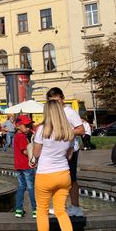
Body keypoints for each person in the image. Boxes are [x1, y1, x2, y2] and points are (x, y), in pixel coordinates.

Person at [31, 99, 79, 231]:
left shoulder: (42, 130)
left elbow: (36, 154)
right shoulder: (69, 131)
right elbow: (69, 155)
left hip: (45, 174)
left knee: (42, 211)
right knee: (61, 211)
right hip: (63, 174)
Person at [46, 88, 85, 217]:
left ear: (62, 98)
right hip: (57, 150)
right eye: (52, 101)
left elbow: (81, 130)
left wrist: (65, 132)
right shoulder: (52, 113)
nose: (55, 104)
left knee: (71, 179)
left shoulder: (69, 112)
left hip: (71, 149)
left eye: (56, 100)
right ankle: (60, 206)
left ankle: (76, 207)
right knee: (58, 178)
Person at [13, 115, 36, 218]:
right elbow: (25, 151)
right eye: (26, 126)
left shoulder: (17, 136)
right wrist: (34, 152)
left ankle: (18, 209)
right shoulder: (21, 137)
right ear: (18, 126)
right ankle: (35, 210)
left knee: (21, 187)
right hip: (26, 166)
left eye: (29, 126)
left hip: (18, 166)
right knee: (31, 187)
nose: (28, 128)